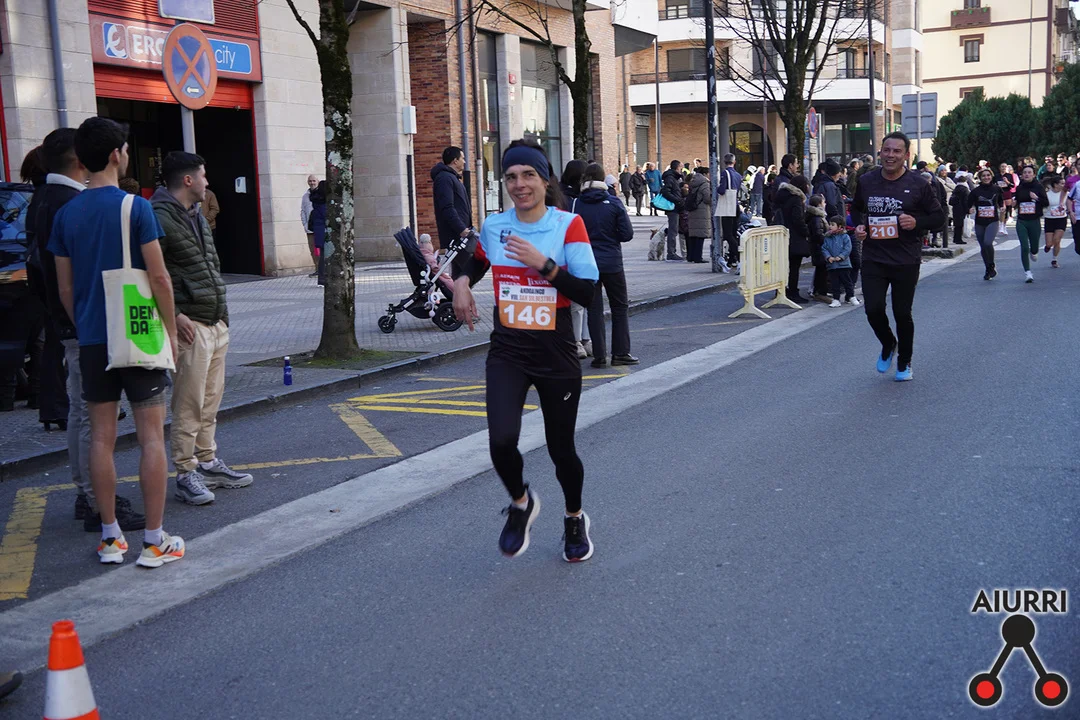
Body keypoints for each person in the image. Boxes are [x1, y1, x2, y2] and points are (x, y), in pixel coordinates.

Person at [450, 138, 599, 563]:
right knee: (501, 441)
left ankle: (574, 517)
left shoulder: (568, 225)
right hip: (508, 350)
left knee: (561, 450)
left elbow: (587, 293)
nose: (520, 184)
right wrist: (462, 281)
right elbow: (479, 259)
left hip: (556, 351)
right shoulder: (495, 226)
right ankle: (521, 503)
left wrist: (543, 265)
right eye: (511, 176)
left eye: (529, 175)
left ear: (545, 179)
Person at [48, 116, 185, 567]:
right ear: (115, 155)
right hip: (139, 330)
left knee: (101, 439)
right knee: (151, 437)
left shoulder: (67, 214)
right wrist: (169, 332)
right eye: (125, 149)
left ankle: (110, 538)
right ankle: (154, 540)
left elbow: (65, 289)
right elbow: (159, 278)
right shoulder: (135, 207)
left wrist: (89, 324)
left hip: (93, 339)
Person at [26, 128, 146, 532]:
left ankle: (90, 495)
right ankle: (95, 501)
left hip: (72, 323)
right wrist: (83, 323)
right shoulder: (67, 203)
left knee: (83, 414)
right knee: (90, 419)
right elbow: (66, 280)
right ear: (81, 160)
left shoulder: (45, 198)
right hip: (87, 325)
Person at [152, 151, 253, 506]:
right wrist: (175, 314)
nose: (207, 182)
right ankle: (185, 472)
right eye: (203, 176)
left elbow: (209, 265)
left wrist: (222, 315)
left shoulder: (196, 214)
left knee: (210, 400)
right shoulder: (157, 216)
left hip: (214, 321)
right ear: (188, 180)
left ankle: (207, 462)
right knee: (189, 403)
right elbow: (148, 272)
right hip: (189, 325)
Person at [851, 131, 945, 382]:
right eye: (887, 150)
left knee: (902, 313)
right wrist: (858, 226)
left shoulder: (918, 184)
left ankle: (905, 361)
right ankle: (888, 343)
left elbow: (938, 218)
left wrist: (916, 222)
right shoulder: (867, 181)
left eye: (896, 151)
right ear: (880, 152)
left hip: (905, 259)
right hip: (874, 257)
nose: (890, 155)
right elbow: (857, 209)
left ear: (906, 155)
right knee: (873, 309)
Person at [571, 163, 637, 368]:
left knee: (594, 309)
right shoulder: (614, 202)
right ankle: (621, 353)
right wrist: (611, 237)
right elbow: (627, 234)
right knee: (619, 306)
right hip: (612, 262)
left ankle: (599, 356)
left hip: (586, 263)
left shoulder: (577, 204)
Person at [558, 160, 592, 358]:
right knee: (577, 301)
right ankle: (577, 340)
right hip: (569, 251)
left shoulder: (577, 197)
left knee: (584, 298)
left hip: (580, 250)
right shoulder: (567, 199)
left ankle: (584, 338)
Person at [775, 174, 812, 302]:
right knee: (794, 267)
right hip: (794, 237)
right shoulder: (796, 199)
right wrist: (806, 232)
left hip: (780, 234)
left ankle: (780, 291)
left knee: (782, 265)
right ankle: (793, 292)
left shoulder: (781, 196)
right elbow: (798, 219)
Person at [431, 146, 473, 254]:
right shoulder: (445, 179)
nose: (464, 161)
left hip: (460, 235)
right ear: (455, 161)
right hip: (454, 236)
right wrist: (461, 229)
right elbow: (447, 207)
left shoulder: (452, 178)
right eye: (462, 158)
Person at [1012, 165, 1048, 282]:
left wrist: (1037, 198)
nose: (1027, 174)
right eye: (1025, 172)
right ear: (1022, 175)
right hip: (1022, 220)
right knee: (1024, 247)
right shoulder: (1019, 188)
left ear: (1033, 174)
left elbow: (1046, 202)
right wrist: (1014, 203)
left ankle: (1035, 251)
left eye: (1029, 172)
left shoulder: (1038, 187)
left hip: (1034, 220)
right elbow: (1017, 201)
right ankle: (1028, 272)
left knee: (1034, 247)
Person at [966, 168, 1003, 280]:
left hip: (993, 221)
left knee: (987, 243)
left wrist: (1002, 207)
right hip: (980, 222)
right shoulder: (975, 191)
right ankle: (988, 269)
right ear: (980, 178)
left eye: (988, 175)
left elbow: (1001, 200)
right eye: (983, 176)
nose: (986, 177)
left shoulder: (997, 189)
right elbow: (968, 204)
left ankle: (991, 264)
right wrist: (969, 209)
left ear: (991, 176)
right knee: (983, 246)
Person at [822, 216, 857, 307]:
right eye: (830, 224)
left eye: (833, 225)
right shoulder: (827, 237)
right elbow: (824, 248)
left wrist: (841, 256)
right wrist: (828, 257)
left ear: (840, 226)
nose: (830, 226)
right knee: (835, 283)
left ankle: (851, 296)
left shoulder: (845, 236)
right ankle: (836, 299)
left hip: (844, 264)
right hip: (832, 264)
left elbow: (847, 248)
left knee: (847, 281)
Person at [715, 154, 742, 267]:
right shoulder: (738, 175)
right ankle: (732, 259)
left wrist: (716, 188)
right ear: (734, 162)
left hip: (727, 206)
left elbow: (722, 190)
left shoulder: (725, 173)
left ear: (724, 162)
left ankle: (739, 256)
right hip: (735, 205)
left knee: (728, 234)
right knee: (734, 233)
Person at [806, 194, 830, 302]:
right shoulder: (817, 218)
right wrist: (828, 240)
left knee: (821, 270)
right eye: (824, 202)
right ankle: (820, 292)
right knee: (822, 271)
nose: (825, 204)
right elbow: (818, 234)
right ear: (819, 204)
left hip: (818, 247)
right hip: (819, 248)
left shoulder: (816, 217)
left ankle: (819, 291)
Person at [660, 160, 685, 261]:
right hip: (673, 207)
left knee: (674, 229)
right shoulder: (670, 177)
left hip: (676, 207)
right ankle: (671, 252)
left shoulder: (674, 177)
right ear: (677, 167)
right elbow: (666, 191)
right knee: (673, 230)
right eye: (681, 167)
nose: (682, 169)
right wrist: (677, 200)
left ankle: (672, 251)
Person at [686, 166, 712, 264]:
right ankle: (698, 257)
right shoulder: (705, 184)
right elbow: (707, 198)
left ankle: (691, 256)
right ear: (705, 174)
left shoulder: (693, 182)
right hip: (702, 211)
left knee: (693, 234)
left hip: (693, 210)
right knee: (700, 235)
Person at [1042, 174, 1068, 268]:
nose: (1064, 185)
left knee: (1057, 240)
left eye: (1064, 183)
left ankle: (1054, 259)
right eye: (1062, 183)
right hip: (1049, 219)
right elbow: (1043, 203)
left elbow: (1070, 202)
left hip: (1061, 219)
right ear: (1055, 184)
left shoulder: (1066, 193)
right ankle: (1048, 246)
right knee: (1049, 243)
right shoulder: (1047, 194)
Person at [764, 153, 797, 225]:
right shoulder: (784, 181)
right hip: (783, 219)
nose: (797, 166)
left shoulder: (784, 179)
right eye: (796, 163)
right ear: (790, 165)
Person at [309, 180, 327, 286]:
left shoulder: (316, 201)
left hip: (319, 231)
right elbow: (326, 216)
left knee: (323, 255)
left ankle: (322, 277)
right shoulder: (323, 203)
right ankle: (323, 278)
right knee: (324, 256)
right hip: (324, 231)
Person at [301, 175, 318, 276]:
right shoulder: (305, 196)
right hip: (310, 229)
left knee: (320, 250)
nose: (312, 183)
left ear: (317, 182)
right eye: (310, 181)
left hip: (320, 227)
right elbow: (303, 211)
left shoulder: (321, 194)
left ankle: (323, 270)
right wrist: (305, 224)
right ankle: (317, 268)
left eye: (314, 181)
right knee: (313, 250)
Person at [948, 171, 971, 248]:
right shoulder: (965, 189)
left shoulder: (956, 188)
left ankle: (956, 238)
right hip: (961, 209)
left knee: (956, 224)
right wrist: (968, 210)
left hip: (955, 208)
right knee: (960, 225)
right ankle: (958, 239)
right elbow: (966, 201)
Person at [995, 163, 1018, 235]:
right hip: (999, 194)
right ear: (999, 168)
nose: (1004, 168)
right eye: (1002, 166)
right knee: (1002, 209)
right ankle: (1001, 225)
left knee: (1007, 210)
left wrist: (1007, 182)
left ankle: (1004, 225)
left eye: (1005, 166)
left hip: (1007, 193)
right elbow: (993, 184)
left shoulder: (1009, 175)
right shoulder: (996, 176)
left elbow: (1012, 185)